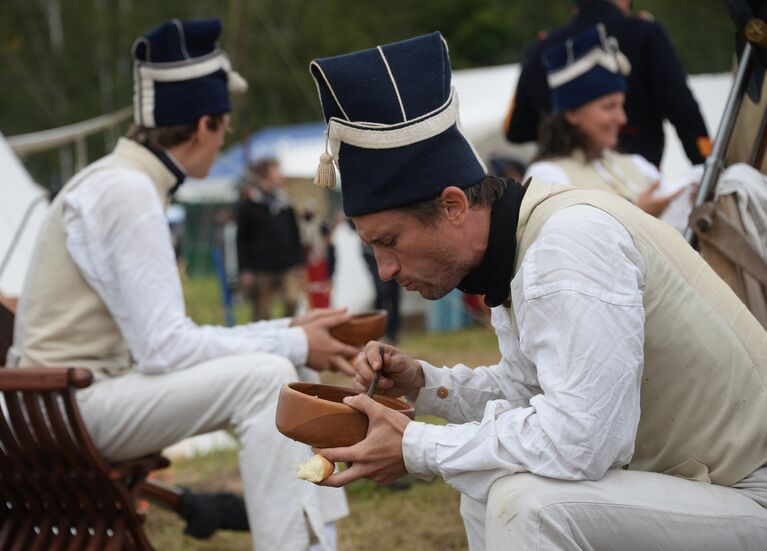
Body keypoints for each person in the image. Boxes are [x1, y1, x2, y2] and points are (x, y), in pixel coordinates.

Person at [307, 32, 767, 550]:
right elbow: (537, 394)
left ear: (455, 205)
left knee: (525, 505)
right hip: (705, 488)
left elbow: (583, 441)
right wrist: (424, 383)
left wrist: (418, 446)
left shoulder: (565, 245)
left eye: (388, 242)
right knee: (487, 483)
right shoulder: (527, 240)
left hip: (751, 494)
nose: (384, 270)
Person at [8, 19, 357, 551]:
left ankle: (316, 543)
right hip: (65, 408)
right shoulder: (127, 191)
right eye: (225, 129)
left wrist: (290, 330)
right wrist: (289, 338)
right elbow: (165, 349)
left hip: (61, 404)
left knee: (291, 368)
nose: (224, 142)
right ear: (203, 125)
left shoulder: (121, 181)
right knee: (270, 380)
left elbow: (166, 340)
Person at [523, 24, 692, 231]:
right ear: (572, 113)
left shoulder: (638, 165)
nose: (622, 118)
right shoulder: (548, 177)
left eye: (621, 105)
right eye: (608, 106)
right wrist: (639, 214)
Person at [505, 0, 711, 167]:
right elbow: (682, 107)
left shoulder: (542, 48)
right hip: (640, 182)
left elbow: (516, 129)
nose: (620, 118)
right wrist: (705, 161)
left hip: (566, 187)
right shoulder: (644, 32)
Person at [237, 157, 306, 320]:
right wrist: (245, 268)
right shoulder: (248, 206)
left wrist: (300, 260)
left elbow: (295, 233)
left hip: (287, 263)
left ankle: (286, 331)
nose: (279, 178)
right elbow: (242, 240)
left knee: (293, 300)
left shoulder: (285, 203)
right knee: (262, 311)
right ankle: (263, 341)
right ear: (264, 178)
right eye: (275, 175)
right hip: (261, 267)